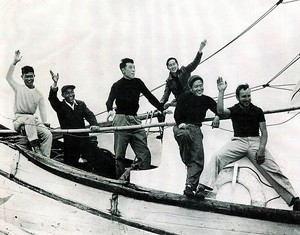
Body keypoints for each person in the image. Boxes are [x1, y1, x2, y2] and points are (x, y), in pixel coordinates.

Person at [198, 77, 300, 211]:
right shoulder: (234, 109)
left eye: (248, 96)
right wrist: (221, 91)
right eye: (244, 97)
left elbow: (264, 133)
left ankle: (294, 199)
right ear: (238, 97)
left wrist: (261, 149)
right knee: (218, 156)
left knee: (273, 168)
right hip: (238, 141)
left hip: (255, 142)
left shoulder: (258, 111)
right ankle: (202, 187)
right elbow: (221, 111)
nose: (247, 99)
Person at [106, 58, 165, 179]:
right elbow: (109, 102)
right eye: (130, 68)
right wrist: (110, 111)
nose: (133, 70)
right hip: (121, 120)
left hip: (135, 121)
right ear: (123, 70)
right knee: (119, 155)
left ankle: (142, 180)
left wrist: (161, 108)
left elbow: (149, 96)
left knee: (144, 154)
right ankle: (120, 181)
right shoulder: (117, 85)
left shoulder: (138, 82)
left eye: (134, 68)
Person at [173, 75, 220, 198]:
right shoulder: (184, 97)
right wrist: (181, 124)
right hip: (182, 128)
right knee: (186, 141)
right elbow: (177, 114)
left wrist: (217, 116)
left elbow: (218, 109)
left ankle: (190, 187)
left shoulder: (206, 100)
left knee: (197, 158)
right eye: (196, 86)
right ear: (191, 88)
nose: (199, 88)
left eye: (201, 86)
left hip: (196, 129)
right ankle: (191, 177)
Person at [48, 70, 100, 167]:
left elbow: (90, 115)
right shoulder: (60, 107)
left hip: (84, 139)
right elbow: (52, 99)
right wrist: (55, 83)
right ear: (63, 95)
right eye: (67, 93)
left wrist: (94, 124)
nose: (71, 94)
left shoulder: (81, 104)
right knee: (70, 165)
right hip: (70, 142)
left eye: (72, 92)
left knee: (96, 160)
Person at [6, 50, 52, 157]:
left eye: (31, 76)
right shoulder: (18, 88)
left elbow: (42, 111)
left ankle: (45, 158)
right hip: (19, 119)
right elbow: (8, 78)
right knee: (30, 119)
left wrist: (45, 123)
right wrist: (14, 62)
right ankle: (35, 147)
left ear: (34, 76)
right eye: (26, 76)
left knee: (48, 134)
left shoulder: (39, 94)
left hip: (32, 121)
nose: (29, 79)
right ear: (22, 77)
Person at [160, 39, 207, 109]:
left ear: (177, 65)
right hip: (181, 101)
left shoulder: (184, 70)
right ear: (168, 67)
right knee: (168, 106)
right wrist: (159, 105)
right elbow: (165, 95)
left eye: (174, 64)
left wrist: (200, 49)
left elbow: (195, 63)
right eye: (170, 65)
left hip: (191, 97)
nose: (173, 66)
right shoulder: (169, 81)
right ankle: (172, 105)